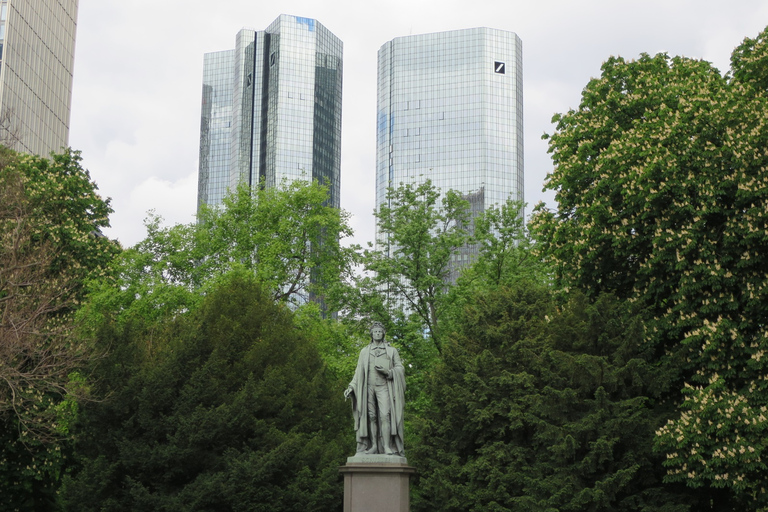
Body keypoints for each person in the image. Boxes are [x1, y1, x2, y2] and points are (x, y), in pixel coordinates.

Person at [344, 322, 406, 455]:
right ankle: (372, 446)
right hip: (368, 388)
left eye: (380, 331)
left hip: (384, 387)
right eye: (375, 332)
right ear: (371, 334)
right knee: (371, 417)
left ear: (383, 333)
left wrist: (388, 372)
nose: (377, 333)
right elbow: (358, 371)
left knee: (385, 416)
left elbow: (400, 368)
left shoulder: (391, 351)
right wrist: (351, 387)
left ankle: (386, 446)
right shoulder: (365, 352)